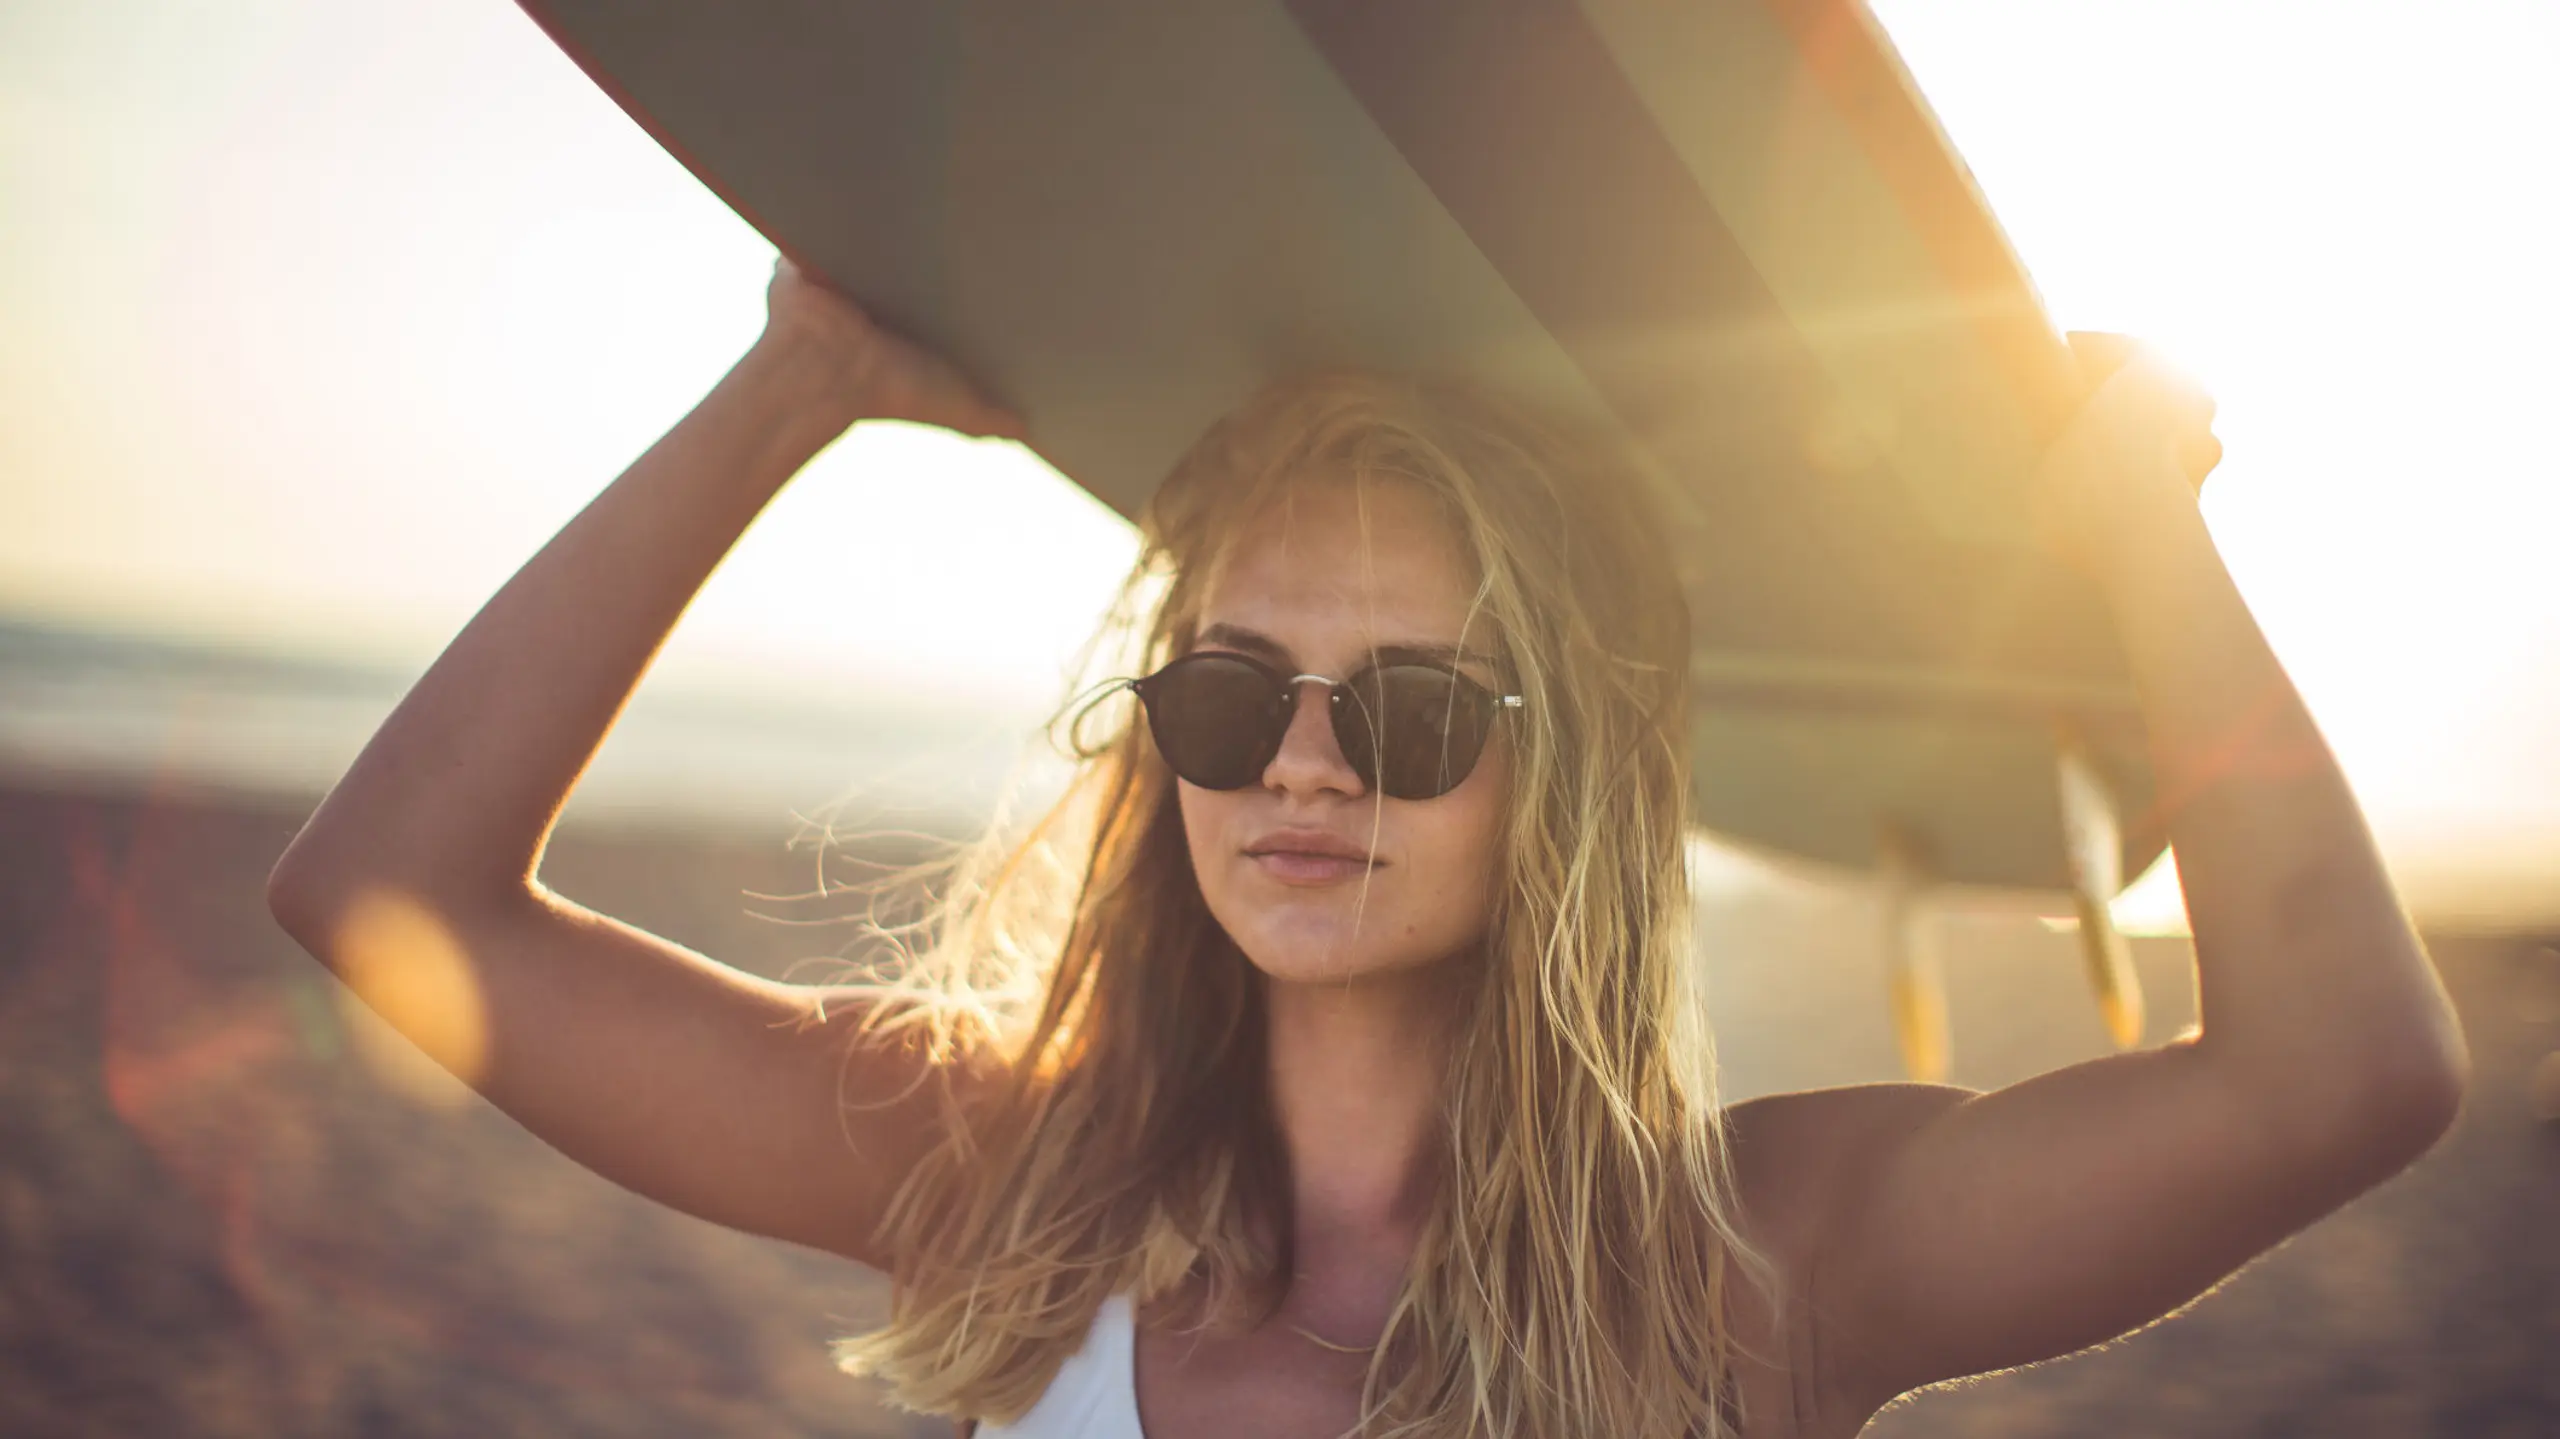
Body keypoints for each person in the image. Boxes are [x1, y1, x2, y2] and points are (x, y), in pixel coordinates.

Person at [266, 257, 2469, 1438]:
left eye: (1411, 709)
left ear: (1562, 783)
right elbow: (391, 898)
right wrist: (787, 387)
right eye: (1232, 694)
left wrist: (2118, 526)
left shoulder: (1755, 1266)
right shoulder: (1017, 1200)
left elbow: (2339, 1073)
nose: (1301, 767)